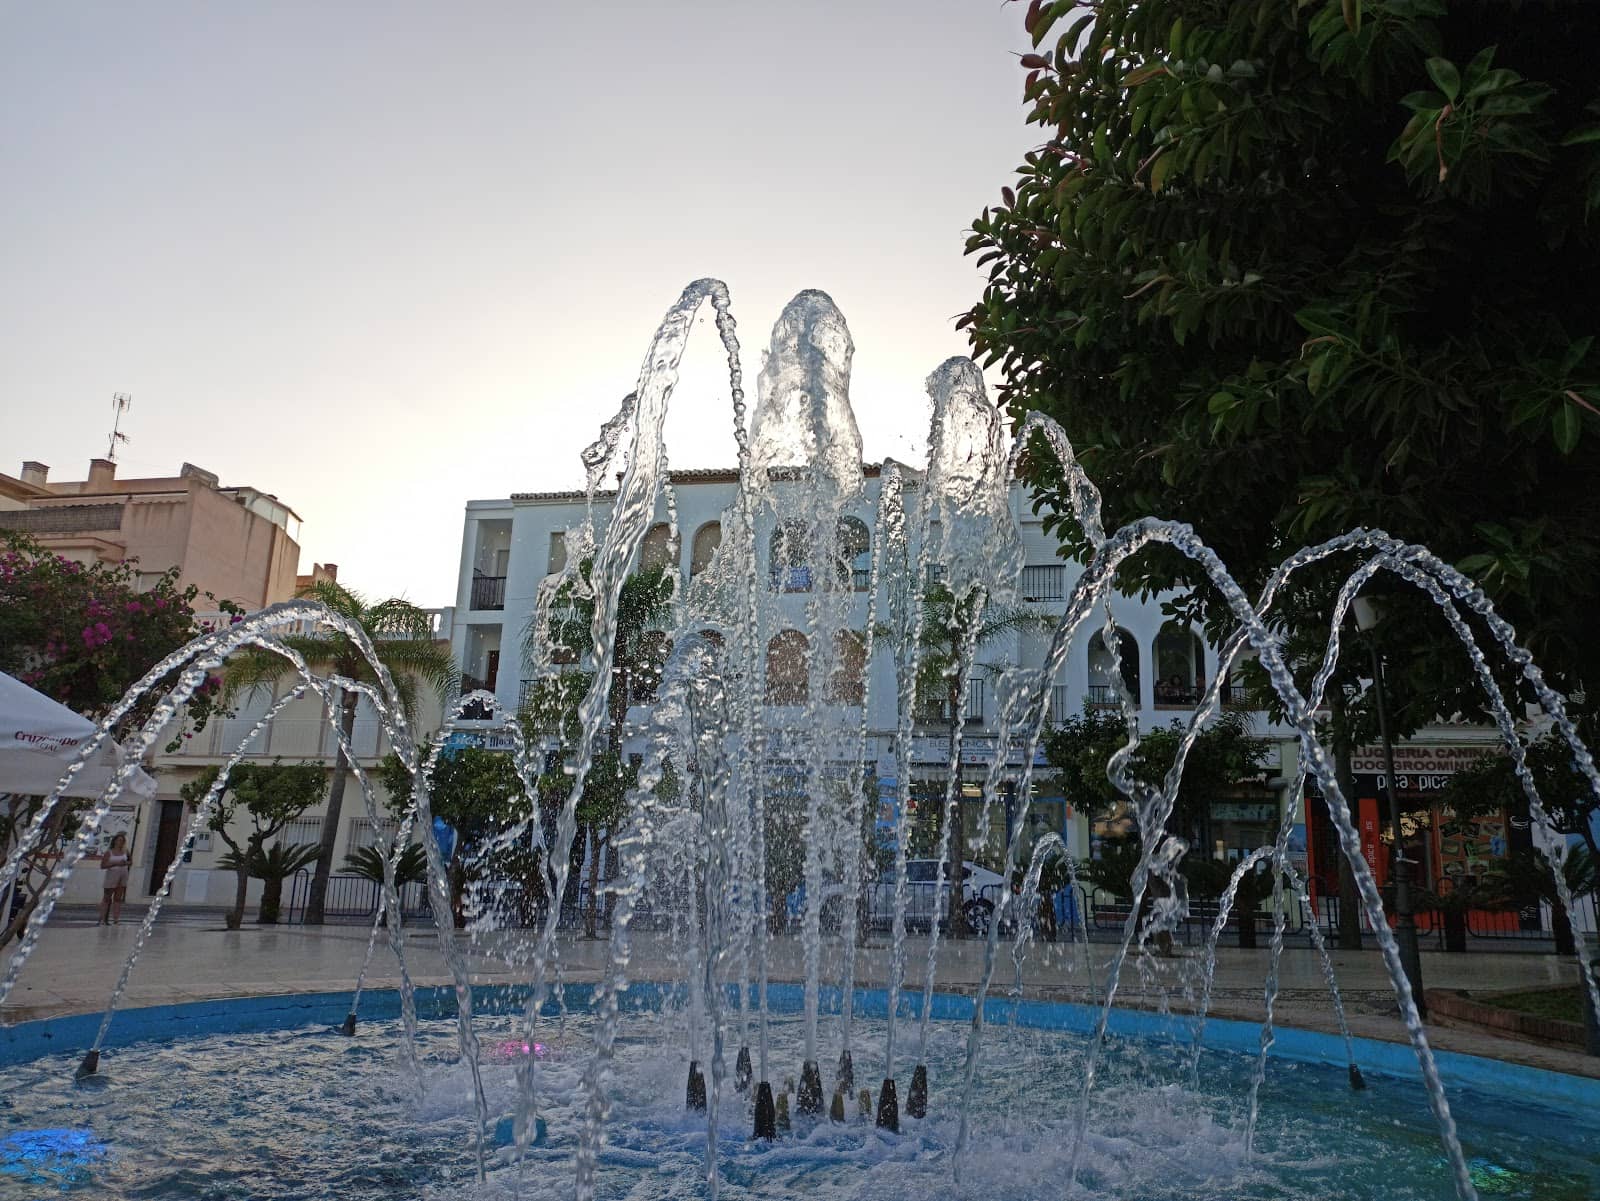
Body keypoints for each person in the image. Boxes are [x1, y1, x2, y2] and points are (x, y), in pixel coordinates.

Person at [98, 832, 130, 926]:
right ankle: (103, 918)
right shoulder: (109, 852)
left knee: (118, 898)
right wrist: (115, 864)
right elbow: (103, 865)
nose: (120, 842)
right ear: (115, 841)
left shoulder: (125, 851)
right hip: (112, 874)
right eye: (119, 840)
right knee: (107, 897)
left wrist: (126, 863)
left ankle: (116, 919)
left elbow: (130, 861)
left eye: (122, 841)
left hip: (123, 874)